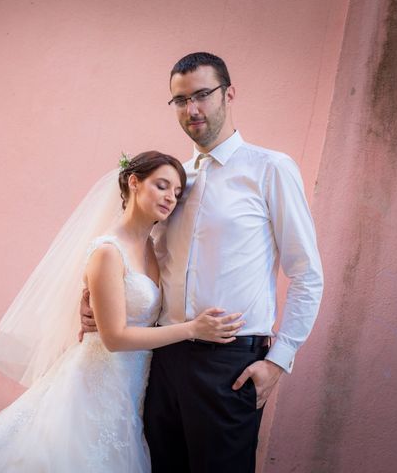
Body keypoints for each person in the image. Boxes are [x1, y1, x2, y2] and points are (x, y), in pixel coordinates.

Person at [0, 151, 245, 472]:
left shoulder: (153, 250)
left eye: (177, 192)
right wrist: (193, 329)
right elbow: (114, 337)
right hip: (94, 384)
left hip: (132, 391)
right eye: (162, 185)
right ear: (133, 183)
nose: (170, 198)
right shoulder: (108, 251)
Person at [80, 52, 324, 472]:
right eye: (180, 100)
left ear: (228, 93)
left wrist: (278, 360)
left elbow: (307, 274)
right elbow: (138, 252)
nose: (191, 109)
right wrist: (96, 300)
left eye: (202, 95)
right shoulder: (175, 180)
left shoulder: (270, 169)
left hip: (229, 364)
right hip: (162, 359)